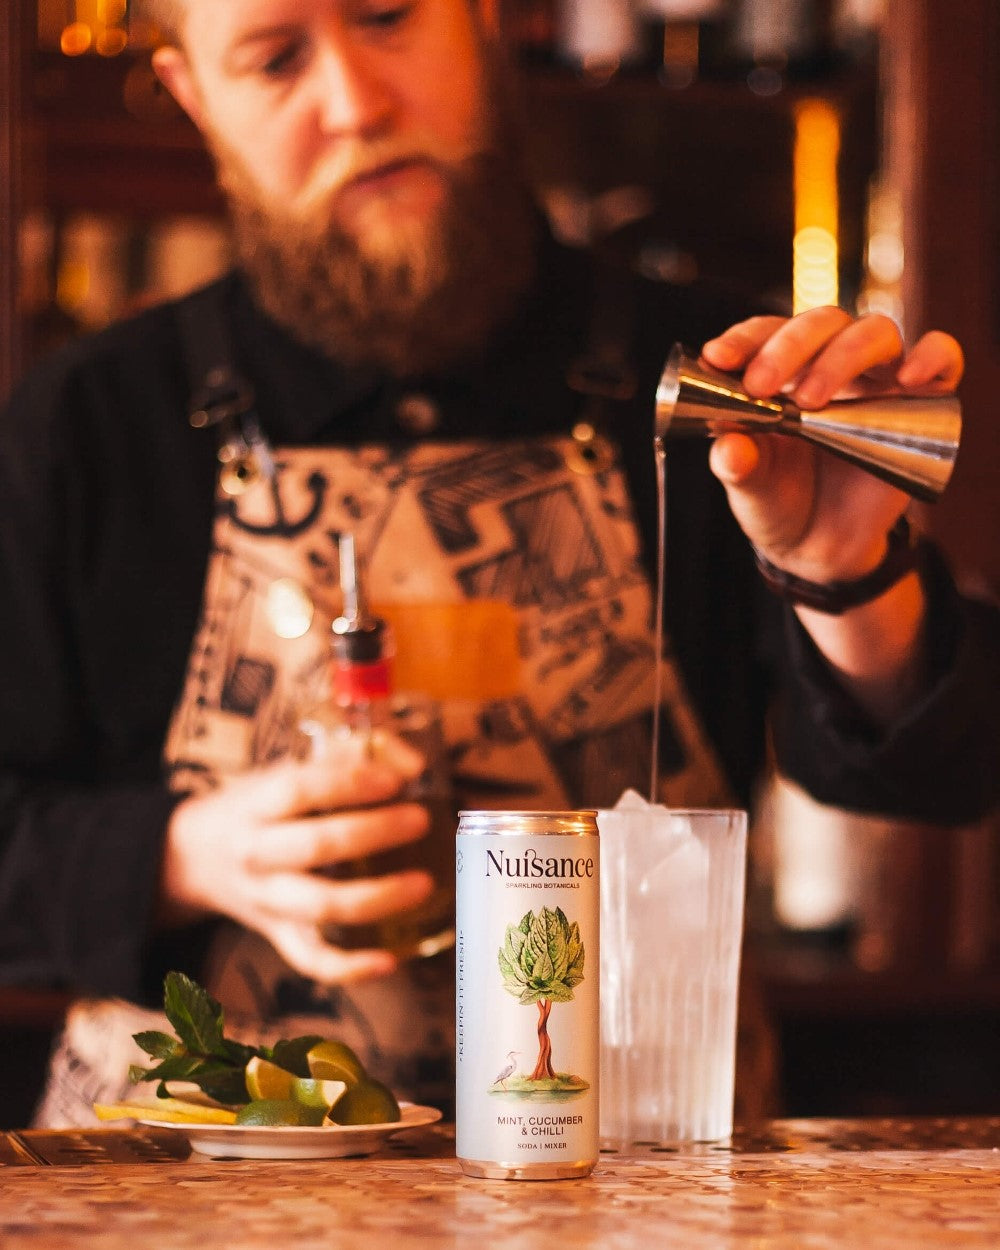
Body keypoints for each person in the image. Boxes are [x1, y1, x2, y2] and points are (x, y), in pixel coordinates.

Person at [2, 0, 998, 1127]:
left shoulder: (716, 386)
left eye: (387, 18)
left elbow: (942, 771)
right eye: (277, 59)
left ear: (481, 20)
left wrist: (843, 569)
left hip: (634, 1175)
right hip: (187, 1189)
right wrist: (181, 854)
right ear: (196, 99)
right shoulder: (87, 422)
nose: (355, 102)